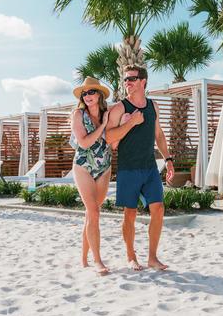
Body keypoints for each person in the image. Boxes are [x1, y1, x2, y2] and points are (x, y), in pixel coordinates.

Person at [106, 65, 174, 271]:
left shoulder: (153, 106)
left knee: (159, 209)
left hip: (150, 167)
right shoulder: (119, 108)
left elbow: (159, 135)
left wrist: (168, 159)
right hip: (128, 168)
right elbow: (109, 138)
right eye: (125, 79)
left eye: (132, 79)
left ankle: (152, 257)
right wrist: (131, 122)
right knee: (130, 213)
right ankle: (131, 256)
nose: (127, 82)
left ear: (143, 81)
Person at [70, 76, 113, 275]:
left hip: (104, 166)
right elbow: (84, 143)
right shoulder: (78, 115)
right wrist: (103, 126)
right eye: (84, 93)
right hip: (83, 166)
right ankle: (97, 261)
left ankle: (83, 258)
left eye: (91, 92)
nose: (87, 96)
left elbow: (114, 140)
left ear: (99, 95)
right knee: (93, 212)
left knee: (92, 213)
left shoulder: (108, 113)